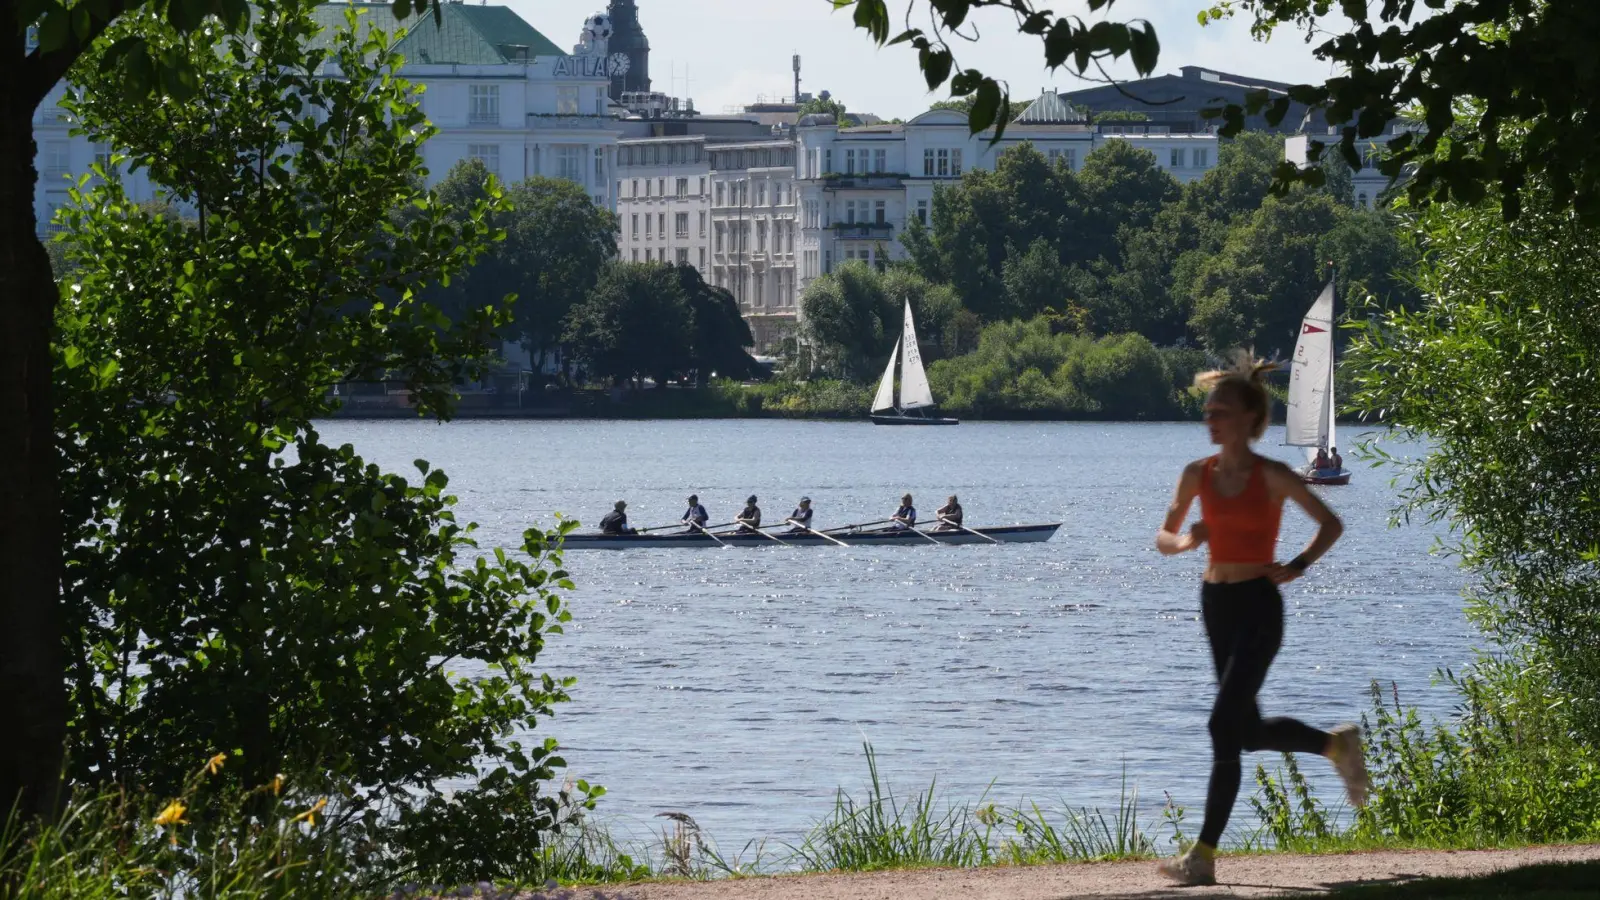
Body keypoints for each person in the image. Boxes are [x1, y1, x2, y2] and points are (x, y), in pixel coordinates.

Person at [1153, 352, 1367, 887]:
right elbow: (1164, 537)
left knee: (1221, 724)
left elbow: (1330, 524)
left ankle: (1201, 856)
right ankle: (1336, 746)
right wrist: (1187, 541)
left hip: (1258, 606)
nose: (1210, 419)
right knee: (1243, 730)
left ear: (1248, 419)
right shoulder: (1195, 474)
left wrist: (1295, 566)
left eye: (1219, 411)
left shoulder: (1272, 476)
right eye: (1207, 412)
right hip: (1215, 604)